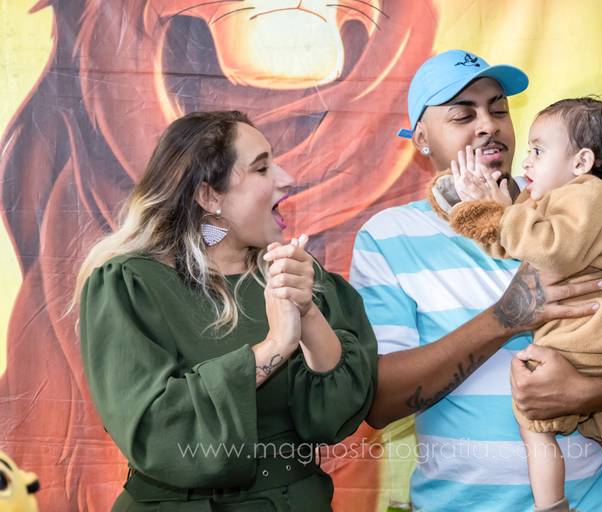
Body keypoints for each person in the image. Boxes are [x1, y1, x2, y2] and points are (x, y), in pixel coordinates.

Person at [350, 50, 602, 511]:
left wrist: (583, 393)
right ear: (422, 138)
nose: (488, 125)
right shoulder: (388, 236)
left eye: (498, 109)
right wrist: (507, 318)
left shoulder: (584, 206)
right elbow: (380, 402)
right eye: (463, 115)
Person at [74, 110, 378, 511]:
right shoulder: (131, 284)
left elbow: (335, 415)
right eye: (262, 168)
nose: (286, 178)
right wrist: (275, 347)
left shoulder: (293, 274)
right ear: (209, 197)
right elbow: (160, 431)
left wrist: (307, 313)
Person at [443, 96, 602, 511]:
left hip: (589, 330)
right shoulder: (554, 201)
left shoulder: (590, 194)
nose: (527, 162)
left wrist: (500, 214)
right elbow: (518, 245)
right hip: (598, 333)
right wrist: (489, 215)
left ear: (581, 161)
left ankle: (552, 504)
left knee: (534, 423)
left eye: (538, 151)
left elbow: (554, 251)